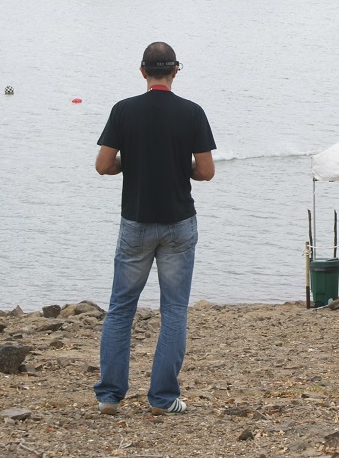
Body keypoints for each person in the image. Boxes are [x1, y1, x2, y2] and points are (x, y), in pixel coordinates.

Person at [93, 41, 216, 416]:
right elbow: (206, 171)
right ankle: (162, 398)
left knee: (120, 309)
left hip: (136, 221)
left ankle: (109, 396)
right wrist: (182, 168)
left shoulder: (123, 110)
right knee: (174, 311)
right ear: (175, 71)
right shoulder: (192, 112)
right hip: (179, 223)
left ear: (142, 71)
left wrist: (127, 165)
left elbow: (103, 165)